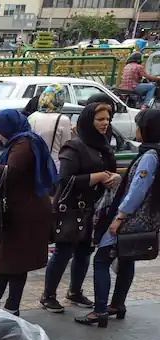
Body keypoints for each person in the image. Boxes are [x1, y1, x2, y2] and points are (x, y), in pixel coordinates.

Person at [0, 109, 58, 315]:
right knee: (11, 258)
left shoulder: (24, 143)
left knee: (16, 260)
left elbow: (12, 172)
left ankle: (11, 306)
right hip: (21, 209)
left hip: (26, 212)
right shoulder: (21, 141)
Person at [77, 110, 160, 327]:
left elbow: (137, 191)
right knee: (126, 258)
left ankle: (100, 310)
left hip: (132, 218)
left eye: (139, 126)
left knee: (101, 260)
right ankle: (117, 304)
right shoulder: (154, 152)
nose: (137, 130)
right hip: (147, 218)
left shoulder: (150, 157)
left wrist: (120, 217)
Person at [41, 102, 123, 312]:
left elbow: (109, 170)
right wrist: (98, 177)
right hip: (71, 208)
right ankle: (48, 296)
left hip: (94, 208)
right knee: (64, 251)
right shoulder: (74, 146)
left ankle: (75, 291)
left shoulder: (104, 145)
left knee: (85, 251)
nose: (105, 123)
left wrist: (112, 177)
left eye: (107, 119)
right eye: (100, 119)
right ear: (89, 121)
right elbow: (65, 179)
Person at [27, 84, 72, 170]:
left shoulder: (32, 116)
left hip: (35, 165)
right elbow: (66, 148)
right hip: (55, 166)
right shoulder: (63, 120)